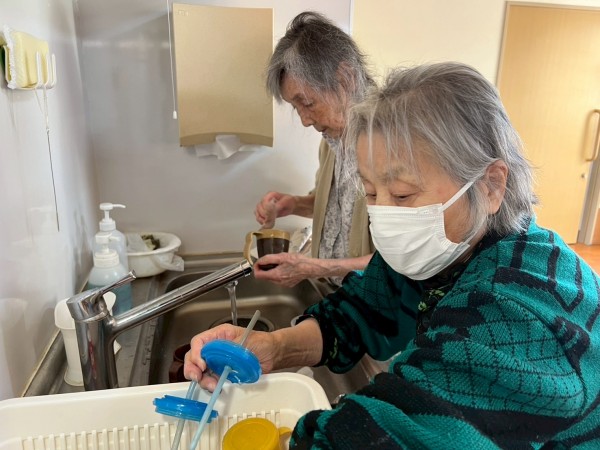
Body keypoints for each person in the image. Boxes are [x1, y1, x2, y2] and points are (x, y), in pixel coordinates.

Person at [185, 62, 600, 448]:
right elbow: (360, 313)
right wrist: (274, 347)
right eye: (370, 193)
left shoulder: (519, 312)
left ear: (490, 186)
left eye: (402, 194)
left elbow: (389, 434)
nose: (384, 215)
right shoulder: (446, 249)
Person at [253, 11, 375, 288]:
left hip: (371, 302)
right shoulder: (332, 139)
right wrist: (295, 204)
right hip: (336, 292)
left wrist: (315, 267)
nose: (305, 120)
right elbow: (339, 208)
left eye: (307, 103)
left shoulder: (391, 143)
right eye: (296, 108)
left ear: (345, 78)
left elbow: (403, 261)